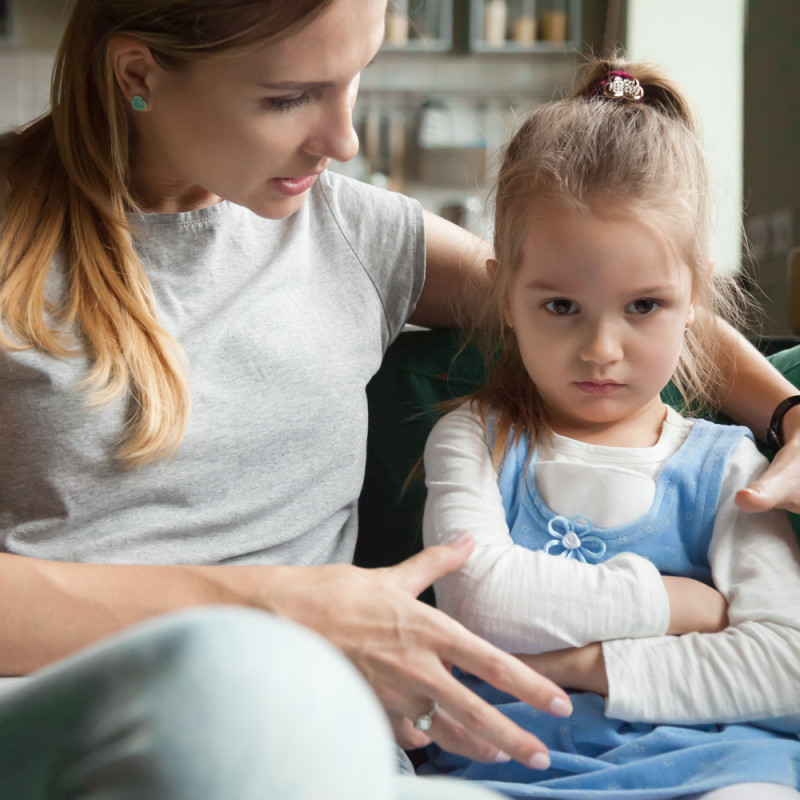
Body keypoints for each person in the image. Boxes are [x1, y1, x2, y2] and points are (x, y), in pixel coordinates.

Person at [0, 0, 797, 794]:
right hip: (63, 717)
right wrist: (283, 611)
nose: (343, 140)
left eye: (355, 80)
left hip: (320, 744)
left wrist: (787, 414)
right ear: (138, 73)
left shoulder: (352, 233)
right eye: (288, 97)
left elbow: (612, 283)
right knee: (224, 693)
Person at [419, 60, 800, 798]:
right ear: (504, 295)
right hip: (504, 763)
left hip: (709, 766)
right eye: (561, 307)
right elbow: (479, 600)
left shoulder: (731, 467)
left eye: (644, 306)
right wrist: (677, 606)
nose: (601, 349)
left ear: (696, 298)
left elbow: (787, 661)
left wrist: (574, 665)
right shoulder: (474, 437)